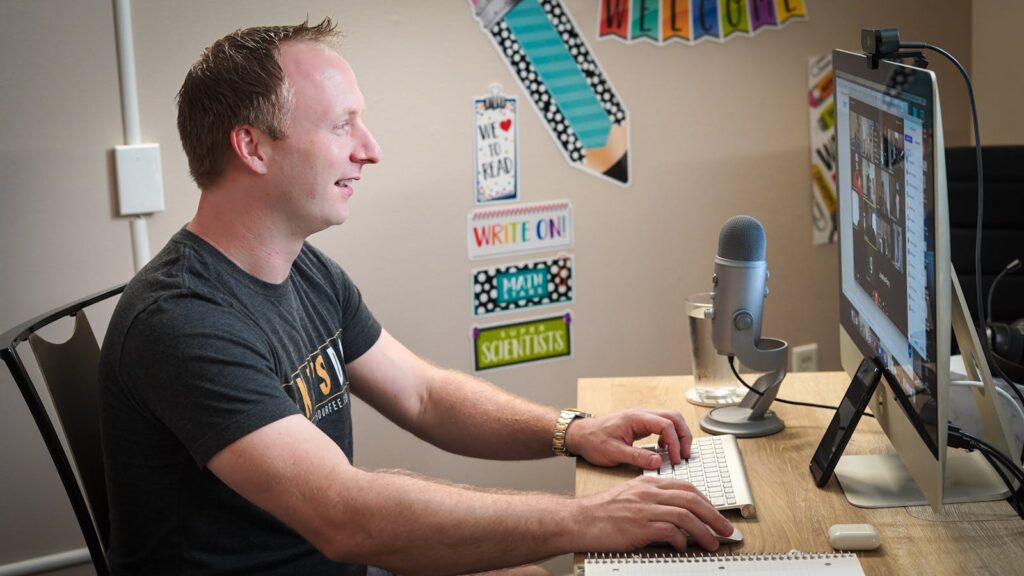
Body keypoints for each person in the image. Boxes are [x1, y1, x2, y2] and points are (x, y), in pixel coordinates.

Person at [98, 18, 732, 576]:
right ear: (253, 147)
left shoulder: (306, 271)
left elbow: (424, 395)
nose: (370, 149)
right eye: (342, 125)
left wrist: (574, 431)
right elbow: (346, 516)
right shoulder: (182, 321)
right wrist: (591, 518)